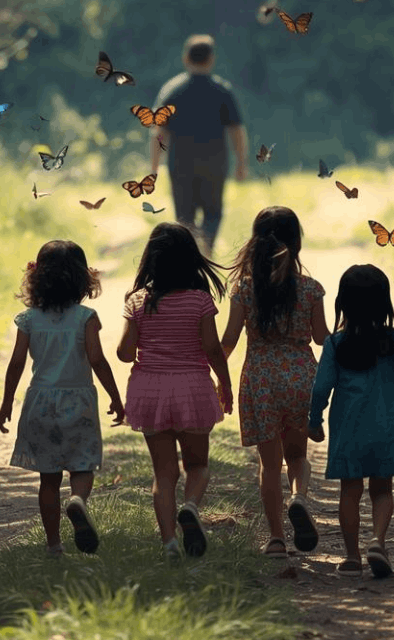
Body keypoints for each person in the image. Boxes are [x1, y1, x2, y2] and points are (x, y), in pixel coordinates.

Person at [307, 265, 394, 579]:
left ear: (343, 303)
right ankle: (378, 541)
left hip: (347, 434)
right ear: (384, 304)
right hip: (385, 430)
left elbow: (320, 388)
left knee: (349, 492)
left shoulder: (335, 344)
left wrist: (314, 421)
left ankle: (353, 557)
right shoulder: (390, 339)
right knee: (382, 490)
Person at [0, 240, 127, 556]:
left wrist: (6, 402)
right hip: (78, 402)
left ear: (37, 277)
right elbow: (97, 360)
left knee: (49, 479)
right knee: (82, 467)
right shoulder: (86, 317)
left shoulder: (28, 319)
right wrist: (115, 397)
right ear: (83, 279)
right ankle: (78, 500)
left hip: (41, 402)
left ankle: (54, 545)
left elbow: (16, 363)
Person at [116, 222, 234, 558]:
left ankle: (169, 543)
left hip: (149, 391)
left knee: (163, 473)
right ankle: (191, 508)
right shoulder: (199, 301)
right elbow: (212, 349)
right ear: (190, 260)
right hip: (192, 388)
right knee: (197, 465)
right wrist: (225, 385)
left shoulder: (138, 301)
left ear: (149, 260)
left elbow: (125, 353)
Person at [220, 206, 329, 559]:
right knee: (297, 456)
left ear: (255, 243)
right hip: (301, 376)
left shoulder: (245, 290)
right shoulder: (311, 289)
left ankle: (277, 540)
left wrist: (207, 367)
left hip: (261, 379)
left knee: (269, 465)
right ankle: (298, 497)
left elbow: (229, 341)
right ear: (297, 242)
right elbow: (321, 338)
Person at [150, 34, 249, 255]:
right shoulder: (222, 91)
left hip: (180, 164)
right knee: (213, 214)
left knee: (184, 218)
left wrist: (154, 168)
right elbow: (237, 131)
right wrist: (241, 163)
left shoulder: (172, 91)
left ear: (186, 58)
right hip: (214, 163)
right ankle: (206, 251)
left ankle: (189, 259)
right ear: (211, 58)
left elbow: (159, 132)